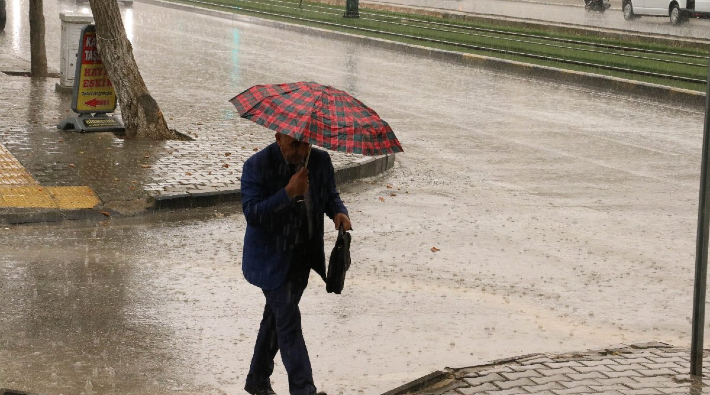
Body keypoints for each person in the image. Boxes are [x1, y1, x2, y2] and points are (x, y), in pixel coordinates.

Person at [240, 132, 352, 395]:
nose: (301, 150)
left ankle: (257, 379)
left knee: (276, 318)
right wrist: (289, 192)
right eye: (294, 145)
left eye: (305, 144)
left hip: (302, 257)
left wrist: (338, 210)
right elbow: (252, 214)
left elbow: (330, 195)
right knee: (288, 320)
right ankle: (304, 389)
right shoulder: (257, 165)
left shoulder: (320, 161)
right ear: (279, 138)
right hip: (271, 258)